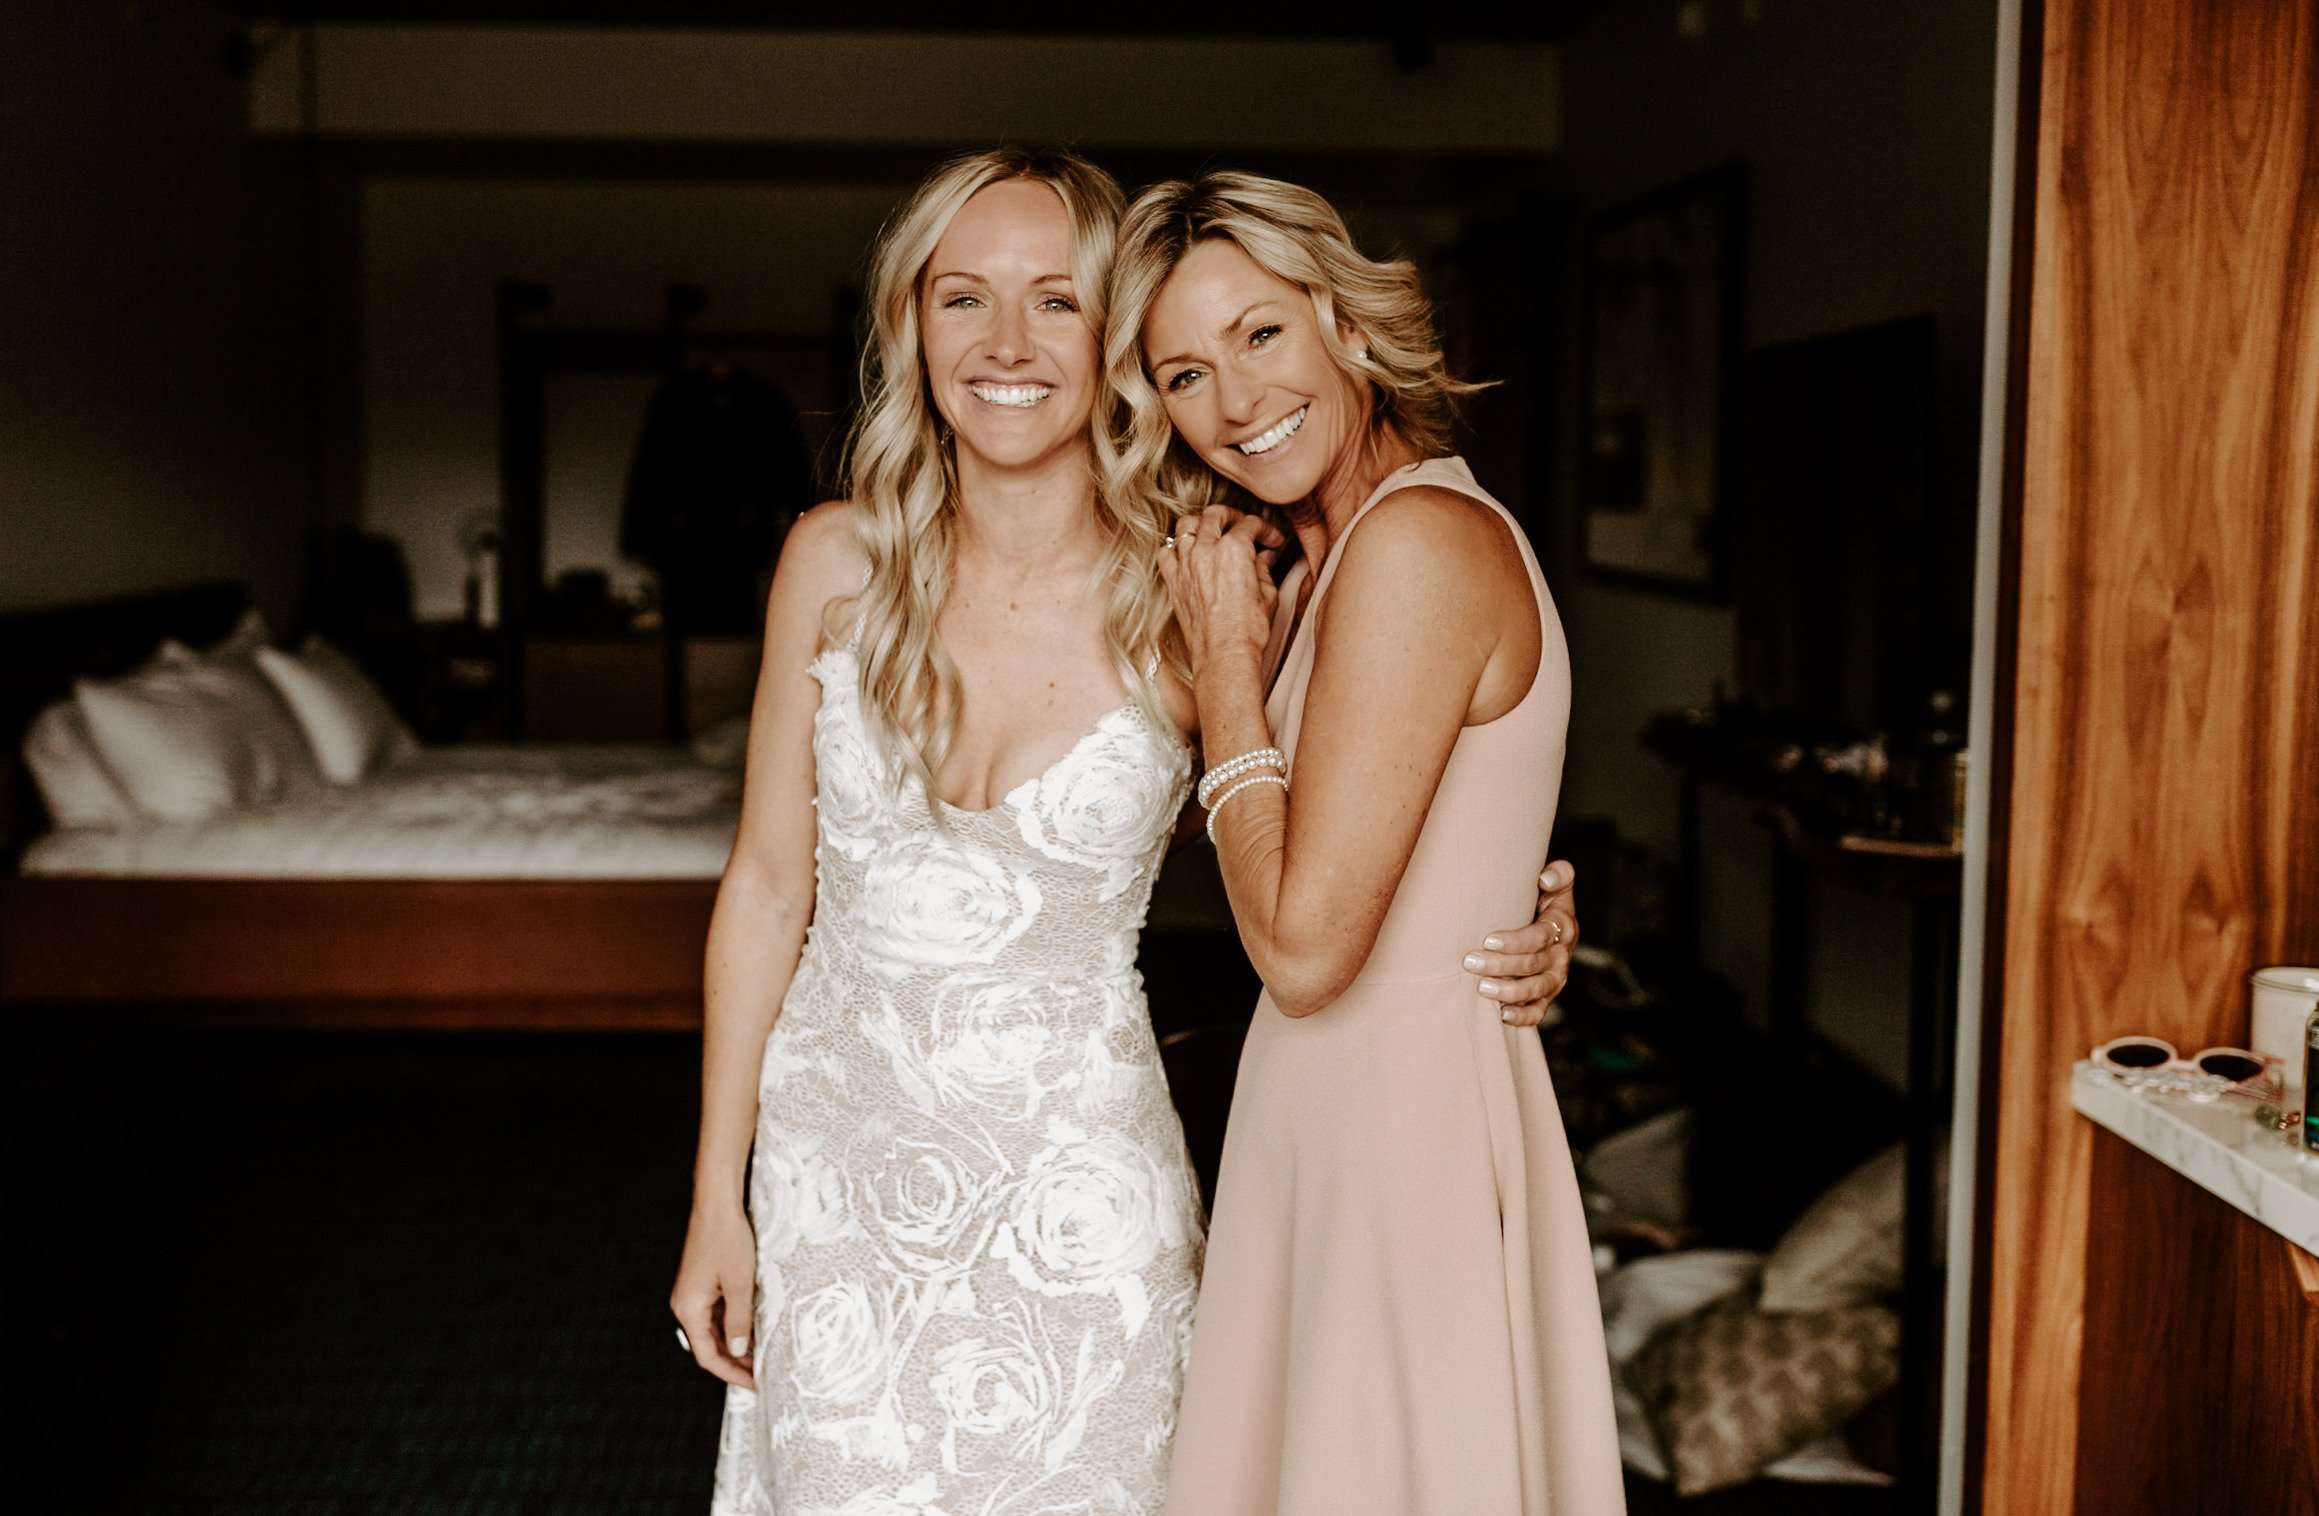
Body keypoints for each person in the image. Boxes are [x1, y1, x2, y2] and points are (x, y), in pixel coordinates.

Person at [671, 148, 1584, 1516]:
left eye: (1056, 301)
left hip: (1082, 1209)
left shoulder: (1215, 585)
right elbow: (763, 888)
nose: (1007, 344)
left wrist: (1523, 903)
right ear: (911, 327)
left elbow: (1386, 797)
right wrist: (717, 1192)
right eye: (963, 298)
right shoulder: (830, 560)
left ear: (1109, 346)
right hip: (829, 1191)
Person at [1104, 171, 1625, 1515]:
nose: (1235, 400)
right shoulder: (1326, 557)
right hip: (1340, 1123)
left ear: (1341, 316)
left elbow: (1303, 951)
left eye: (1261, 333)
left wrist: (1229, 664)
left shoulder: (1417, 544)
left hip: (1402, 1139)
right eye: (1184, 374)